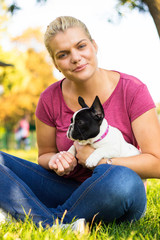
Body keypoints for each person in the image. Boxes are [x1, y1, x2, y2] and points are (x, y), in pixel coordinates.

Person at [1, 16, 160, 231]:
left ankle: (32, 215)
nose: (75, 58)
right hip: (66, 190)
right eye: (63, 55)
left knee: (122, 178)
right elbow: (44, 155)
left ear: (94, 46)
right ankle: (54, 224)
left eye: (81, 46)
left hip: (116, 191)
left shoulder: (132, 90)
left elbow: (157, 163)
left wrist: (101, 162)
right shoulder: (49, 98)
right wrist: (56, 160)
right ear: (56, 63)